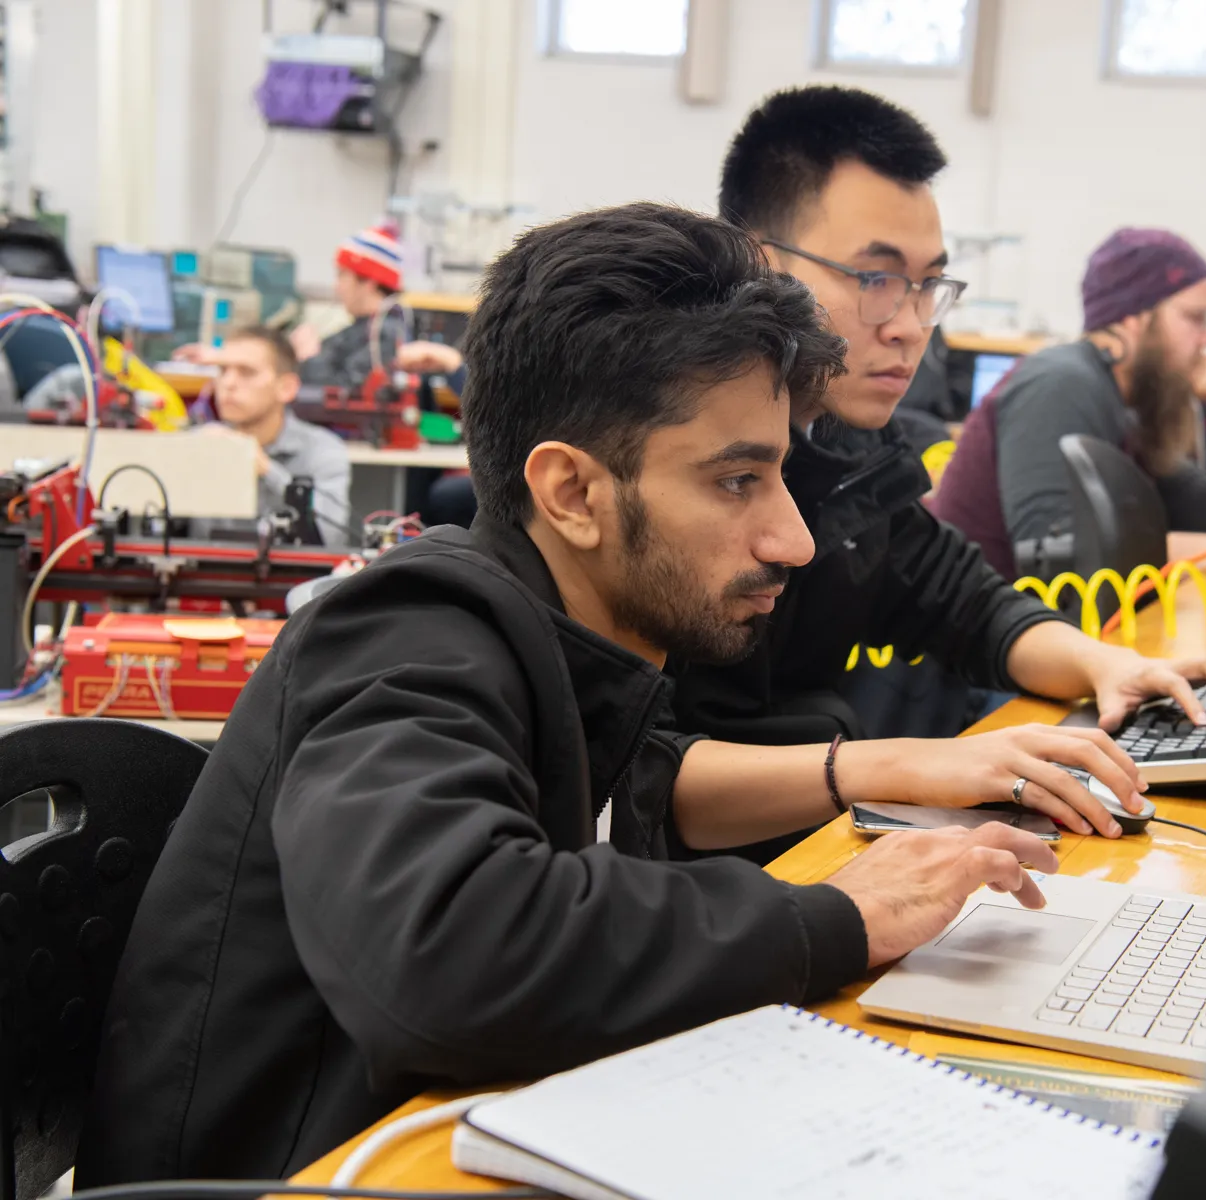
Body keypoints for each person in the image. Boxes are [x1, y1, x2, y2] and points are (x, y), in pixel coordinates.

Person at [79, 204, 1065, 1185]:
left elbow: (653, 781)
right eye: (736, 481)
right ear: (573, 492)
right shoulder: (406, 634)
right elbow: (449, 945)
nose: (793, 540)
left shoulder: (567, 640)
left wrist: (874, 788)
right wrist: (829, 918)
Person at [668, 86, 1206, 845]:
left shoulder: (842, 441)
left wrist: (1106, 666)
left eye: (927, 286)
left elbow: (964, 603)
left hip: (806, 834)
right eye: (875, 280)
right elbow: (635, 773)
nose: (912, 327)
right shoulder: (669, 460)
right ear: (758, 262)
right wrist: (900, 768)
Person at [931, 228, 1206, 578]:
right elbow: (1058, 560)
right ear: (1133, 317)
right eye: (1194, 318)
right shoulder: (1062, 383)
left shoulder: (1129, 405)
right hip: (974, 638)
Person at [174, 224, 408, 390]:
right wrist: (223, 356)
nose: (337, 288)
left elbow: (344, 392)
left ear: (369, 282)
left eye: (342, 276)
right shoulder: (363, 330)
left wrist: (310, 356)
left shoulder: (383, 337)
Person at [191, 325, 351, 546]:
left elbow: (331, 537)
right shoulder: (197, 444)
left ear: (286, 387)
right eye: (222, 371)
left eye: (246, 372)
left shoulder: (322, 450)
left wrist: (267, 470)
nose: (228, 383)